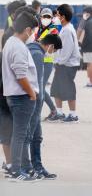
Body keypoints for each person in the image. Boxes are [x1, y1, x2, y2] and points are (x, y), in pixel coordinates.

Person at [2, 10, 41, 181]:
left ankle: (19, 168)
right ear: (27, 29)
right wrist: (32, 93)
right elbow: (21, 75)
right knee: (20, 134)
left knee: (18, 134)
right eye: (32, 30)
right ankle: (17, 171)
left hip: (14, 95)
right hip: (22, 97)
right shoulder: (18, 46)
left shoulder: (10, 41)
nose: (32, 34)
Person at [27, 32, 59, 179]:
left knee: (33, 136)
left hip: (29, 101)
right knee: (32, 136)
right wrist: (38, 105)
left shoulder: (30, 48)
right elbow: (38, 84)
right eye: (54, 50)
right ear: (50, 45)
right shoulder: (38, 55)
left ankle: (33, 167)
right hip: (32, 103)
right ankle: (30, 168)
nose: (51, 53)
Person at [50, 4, 81, 122]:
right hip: (61, 63)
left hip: (67, 65)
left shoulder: (68, 30)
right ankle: (59, 113)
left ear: (62, 16)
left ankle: (73, 115)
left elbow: (67, 50)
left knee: (68, 89)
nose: (55, 17)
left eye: (57, 15)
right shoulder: (64, 28)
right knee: (56, 89)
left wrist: (59, 62)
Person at [77, 6, 92, 88]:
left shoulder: (88, 22)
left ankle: (91, 82)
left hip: (89, 47)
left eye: (84, 13)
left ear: (88, 13)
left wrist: (82, 45)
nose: (83, 15)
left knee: (90, 65)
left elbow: (88, 36)